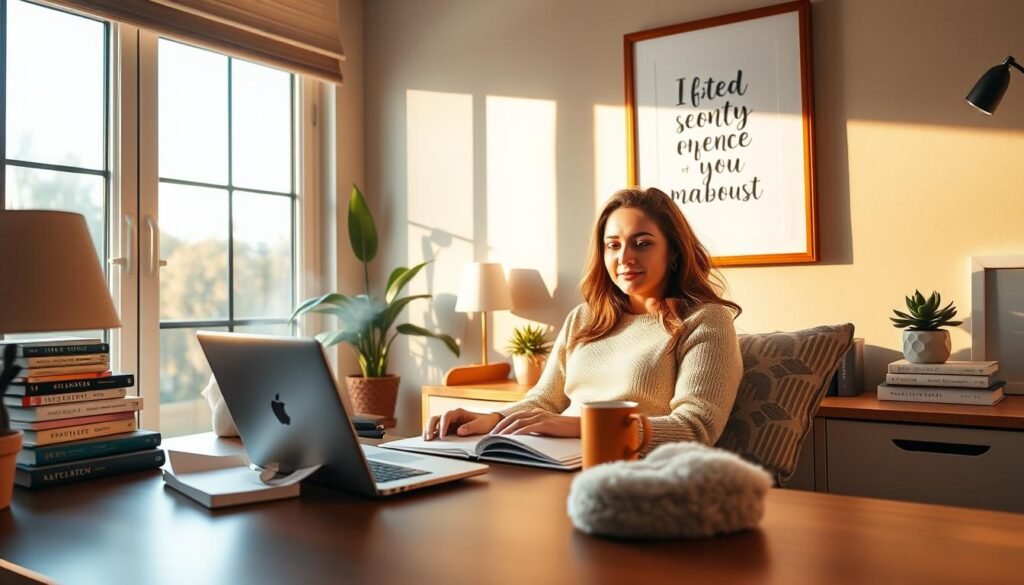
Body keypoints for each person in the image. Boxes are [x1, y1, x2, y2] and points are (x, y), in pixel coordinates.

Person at [424, 187, 744, 454]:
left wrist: (581, 426)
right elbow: (545, 400)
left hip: (631, 470)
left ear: (673, 251)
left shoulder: (706, 320)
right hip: (555, 458)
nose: (624, 257)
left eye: (642, 243)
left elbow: (695, 428)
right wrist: (490, 419)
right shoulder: (584, 318)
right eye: (613, 245)